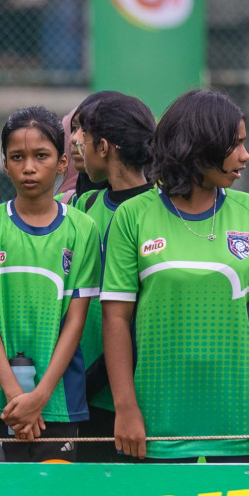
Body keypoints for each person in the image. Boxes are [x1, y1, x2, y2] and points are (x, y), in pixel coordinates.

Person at [100, 91, 249, 463]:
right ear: (199, 146)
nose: (245, 155)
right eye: (235, 145)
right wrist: (125, 408)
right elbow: (115, 318)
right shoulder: (133, 217)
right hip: (158, 424)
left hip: (243, 420)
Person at [0, 107, 99, 462]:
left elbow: (75, 322)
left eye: (41, 156)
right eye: (17, 157)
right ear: (5, 164)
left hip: (59, 400)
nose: (29, 167)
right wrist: (14, 393)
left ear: (63, 162)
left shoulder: (83, 230)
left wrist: (39, 397)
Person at [69, 92, 156, 462]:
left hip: (129, 394)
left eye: (83, 137)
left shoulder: (159, 209)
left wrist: (98, 379)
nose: (76, 143)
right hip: (78, 387)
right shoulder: (83, 205)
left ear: (103, 147)